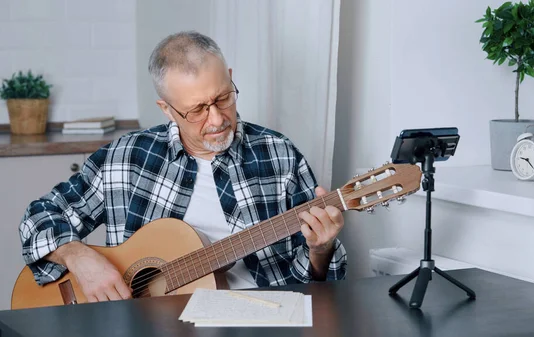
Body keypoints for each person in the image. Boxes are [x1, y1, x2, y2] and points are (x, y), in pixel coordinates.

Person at [18, 31, 347, 303]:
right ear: (167, 109)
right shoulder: (125, 158)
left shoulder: (280, 156)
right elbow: (37, 218)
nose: (217, 119)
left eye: (223, 98)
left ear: (230, 79)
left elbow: (319, 289)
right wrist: (79, 257)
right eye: (197, 110)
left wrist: (320, 250)